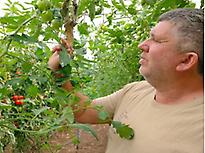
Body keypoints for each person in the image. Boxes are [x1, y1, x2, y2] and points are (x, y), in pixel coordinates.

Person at [48, 8, 204, 153]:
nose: (142, 45)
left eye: (156, 40)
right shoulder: (135, 91)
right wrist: (60, 73)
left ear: (186, 60)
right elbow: (83, 111)